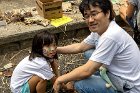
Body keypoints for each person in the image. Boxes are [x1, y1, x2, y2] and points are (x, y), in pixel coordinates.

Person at [53, 0, 140, 93]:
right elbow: (80, 47)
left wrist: (60, 79)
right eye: (86, 16)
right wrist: (55, 50)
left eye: (94, 14)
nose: (90, 20)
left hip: (128, 87)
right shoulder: (102, 28)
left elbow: (87, 70)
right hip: (120, 74)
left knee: (81, 84)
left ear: (107, 13)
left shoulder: (111, 36)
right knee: (88, 53)